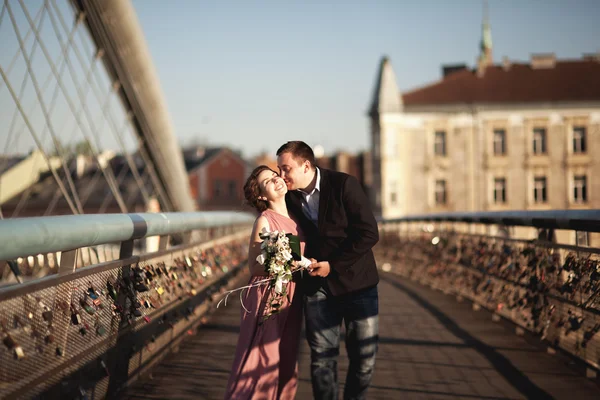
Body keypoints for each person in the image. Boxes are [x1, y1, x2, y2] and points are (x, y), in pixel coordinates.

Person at [277, 141, 380, 400]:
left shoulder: (344, 185)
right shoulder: (287, 198)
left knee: (364, 359)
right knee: (322, 359)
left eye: (286, 169)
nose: (281, 176)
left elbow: (369, 233)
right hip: (317, 287)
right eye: (279, 170)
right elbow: (285, 233)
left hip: (358, 284)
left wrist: (333, 266)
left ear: (306, 166)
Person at [224, 165, 305, 400]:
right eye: (268, 181)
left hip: (294, 295)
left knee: (288, 360)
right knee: (263, 357)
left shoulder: (299, 217)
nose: (276, 179)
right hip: (269, 295)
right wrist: (283, 262)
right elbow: (254, 266)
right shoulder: (264, 221)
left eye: (275, 175)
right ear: (261, 195)